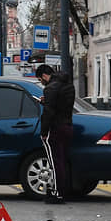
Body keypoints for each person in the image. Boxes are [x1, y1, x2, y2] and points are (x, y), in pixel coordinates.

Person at [35, 64, 75, 204]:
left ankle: (57, 193)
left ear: (45, 76)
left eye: (41, 80)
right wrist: (47, 101)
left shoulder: (50, 88)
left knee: (55, 162)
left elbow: (49, 112)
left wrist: (44, 132)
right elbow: (62, 104)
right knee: (62, 161)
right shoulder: (67, 84)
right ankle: (63, 191)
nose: (42, 82)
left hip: (55, 128)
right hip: (67, 125)